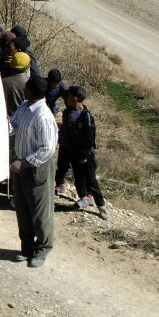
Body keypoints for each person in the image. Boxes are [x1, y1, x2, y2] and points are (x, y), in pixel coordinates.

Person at [9, 75, 58, 267]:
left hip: (36, 168)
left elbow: (47, 148)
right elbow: (14, 124)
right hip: (20, 167)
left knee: (39, 212)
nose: (23, 89)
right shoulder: (24, 106)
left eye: (26, 87)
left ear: (32, 91)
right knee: (22, 209)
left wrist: (25, 162)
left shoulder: (43, 116)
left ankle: (43, 248)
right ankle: (26, 247)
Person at [60, 86, 109, 220]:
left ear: (74, 99)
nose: (65, 98)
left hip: (86, 155)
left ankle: (101, 206)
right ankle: (85, 198)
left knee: (91, 180)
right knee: (78, 178)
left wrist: (85, 156)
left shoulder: (86, 117)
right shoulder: (67, 113)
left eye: (68, 96)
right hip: (72, 152)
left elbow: (89, 138)